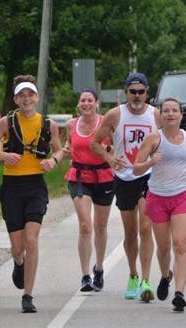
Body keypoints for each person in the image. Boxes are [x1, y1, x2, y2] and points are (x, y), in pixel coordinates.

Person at [0, 75, 63, 313]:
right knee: (18, 248)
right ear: (16, 99)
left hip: (35, 186)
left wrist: (53, 161)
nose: (26, 99)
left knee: (32, 239)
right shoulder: (6, 123)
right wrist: (3, 156)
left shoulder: (49, 124)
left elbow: (59, 151)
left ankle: (28, 295)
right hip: (12, 187)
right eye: (22, 95)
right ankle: (18, 262)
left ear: (37, 98)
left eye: (31, 95)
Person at [90, 72, 162, 302]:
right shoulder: (115, 115)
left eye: (141, 91)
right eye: (133, 92)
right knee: (130, 233)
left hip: (148, 176)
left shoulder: (156, 115)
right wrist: (109, 159)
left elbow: (168, 140)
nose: (137, 96)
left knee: (145, 227)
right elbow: (94, 143)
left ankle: (146, 281)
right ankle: (133, 274)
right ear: (126, 92)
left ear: (147, 92)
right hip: (123, 177)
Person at [133, 97, 186, 312]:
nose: (170, 114)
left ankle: (179, 293)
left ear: (181, 115)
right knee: (164, 248)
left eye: (175, 110)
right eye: (166, 110)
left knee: (181, 244)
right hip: (157, 197)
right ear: (161, 115)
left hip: (183, 195)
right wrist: (149, 162)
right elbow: (136, 168)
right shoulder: (153, 139)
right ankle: (166, 276)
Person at [63, 88, 114, 292]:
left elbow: (116, 148)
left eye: (89, 100)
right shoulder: (71, 124)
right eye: (82, 100)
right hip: (79, 176)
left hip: (103, 176)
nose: (86, 104)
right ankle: (85, 276)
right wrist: (65, 152)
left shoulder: (107, 124)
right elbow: (69, 145)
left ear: (96, 103)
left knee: (100, 227)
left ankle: (99, 268)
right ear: (78, 104)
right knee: (85, 226)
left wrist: (109, 152)